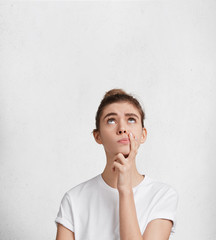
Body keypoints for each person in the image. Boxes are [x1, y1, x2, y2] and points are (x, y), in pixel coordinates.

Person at [55, 89, 178, 240]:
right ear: (97, 136)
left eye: (131, 119)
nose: (122, 128)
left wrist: (125, 190)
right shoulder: (74, 200)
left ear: (143, 134)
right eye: (111, 120)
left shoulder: (162, 195)